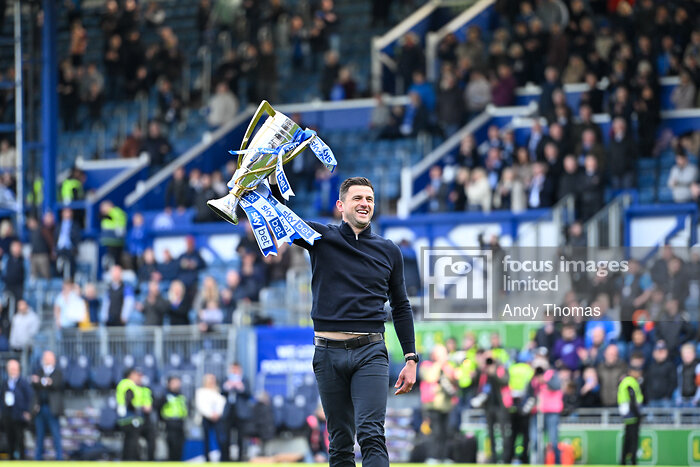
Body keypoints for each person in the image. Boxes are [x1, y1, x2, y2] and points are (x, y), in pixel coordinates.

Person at [270, 176, 418, 467]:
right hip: (327, 352)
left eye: (370, 199)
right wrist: (260, 187)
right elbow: (280, 219)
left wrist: (411, 358)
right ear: (341, 205)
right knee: (339, 442)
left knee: (371, 434)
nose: (365, 204)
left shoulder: (389, 250)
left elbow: (401, 306)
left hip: (370, 352)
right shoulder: (320, 238)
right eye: (357, 198)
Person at [419, 344, 457, 462]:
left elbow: (455, 379)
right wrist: (440, 363)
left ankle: (444, 457)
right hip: (431, 405)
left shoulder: (448, 366)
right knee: (434, 432)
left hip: (446, 405)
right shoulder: (426, 365)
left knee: (446, 433)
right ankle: (433, 456)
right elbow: (430, 377)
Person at [116, 367, 155, 461]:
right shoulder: (127, 384)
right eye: (137, 375)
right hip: (129, 418)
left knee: (132, 444)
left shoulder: (139, 387)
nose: (139, 377)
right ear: (130, 375)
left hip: (134, 418)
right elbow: (129, 398)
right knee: (131, 445)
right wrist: (138, 408)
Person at [31, 351, 64, 460]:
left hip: (52, 408)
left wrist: (41, 382)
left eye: (49, 358)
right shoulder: (39, 371)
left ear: (54, 360)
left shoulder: (58, 372)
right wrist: (45, 382)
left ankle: (59, 459)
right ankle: (38, 459)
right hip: (40, 408)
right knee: (39, 436)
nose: (47, 360)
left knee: (56, 435)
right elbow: (35, 384)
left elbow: (56, 384)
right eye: (46, 358)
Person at [0, 359, 33, 460]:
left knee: (20, 440)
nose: (13, 370)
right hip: (7, 415)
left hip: (19, 415)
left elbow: (29, 397)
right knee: (10, 439)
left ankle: (22, 460)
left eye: (15, 368)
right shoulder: (5, 383)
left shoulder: (23, 383)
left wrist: (27, 411)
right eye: (11, 368)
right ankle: (11, 460)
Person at [222, 362, 252, 461]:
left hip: (240, 413)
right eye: (232, 369)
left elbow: (249, 394)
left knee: (241, 437)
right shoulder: (226, 379)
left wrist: (240, 387)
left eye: (236, 369)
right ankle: (226, 459)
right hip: (229, 412)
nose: (234, 371)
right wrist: (228, 386)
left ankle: (240, 458)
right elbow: (221, 392)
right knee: (226, 437)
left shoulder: (245, 380)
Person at [196, 373, 227, 462]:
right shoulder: (201, 391)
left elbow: (222, 404)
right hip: (206, 418)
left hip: (218, 418)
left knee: (221, 439)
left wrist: (217, 414)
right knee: (206, 440)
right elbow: (201, 405)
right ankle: (207, 459)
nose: (212, 381)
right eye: (210, 379)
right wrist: (210, 414)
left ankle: (223, 459)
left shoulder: (218, 391)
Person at [618, 363, 644, 465]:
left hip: (627, 414)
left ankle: (623, 461)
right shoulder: (630, 382)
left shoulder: (626, 381)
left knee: (628, 439)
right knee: (633, 440)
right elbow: (632, 400)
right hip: (632, 414)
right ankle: (633, 461)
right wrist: (638, 415)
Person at [157, 376, 188, 461]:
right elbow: (158, 409)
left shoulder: (181, 396)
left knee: (179, 449)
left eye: (178, 382)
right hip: (169, 425)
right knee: (171, 449)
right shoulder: (165, 395)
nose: (177, 385)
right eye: (174, 382)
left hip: (180, 424)